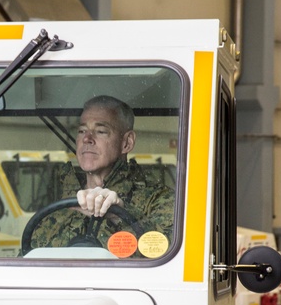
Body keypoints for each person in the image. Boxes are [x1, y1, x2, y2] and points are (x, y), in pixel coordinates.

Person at [29, 95, 174, 251]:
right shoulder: (57, 207)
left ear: (127, 143)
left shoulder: (161, 201)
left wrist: (119, 216)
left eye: (100, 131)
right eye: (82, 130)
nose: (87, 139)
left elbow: (165, 257)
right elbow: (25, 261)